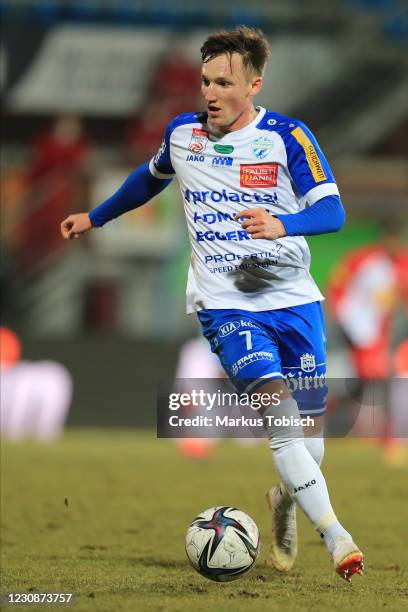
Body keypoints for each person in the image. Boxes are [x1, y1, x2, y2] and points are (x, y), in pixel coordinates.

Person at [61, 27, 364, 582]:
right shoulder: (182, 136)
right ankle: (338, 537)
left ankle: (284, 502)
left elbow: (333, 213)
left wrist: (282, 223)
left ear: (254, 84)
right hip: (226, 305)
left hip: (295, 300)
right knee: (281, 425)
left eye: (224, 82)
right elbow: (147, 180)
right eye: (205, 81)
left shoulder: (288, 138)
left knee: (311, 443)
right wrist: (95, 216)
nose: (211, 92)